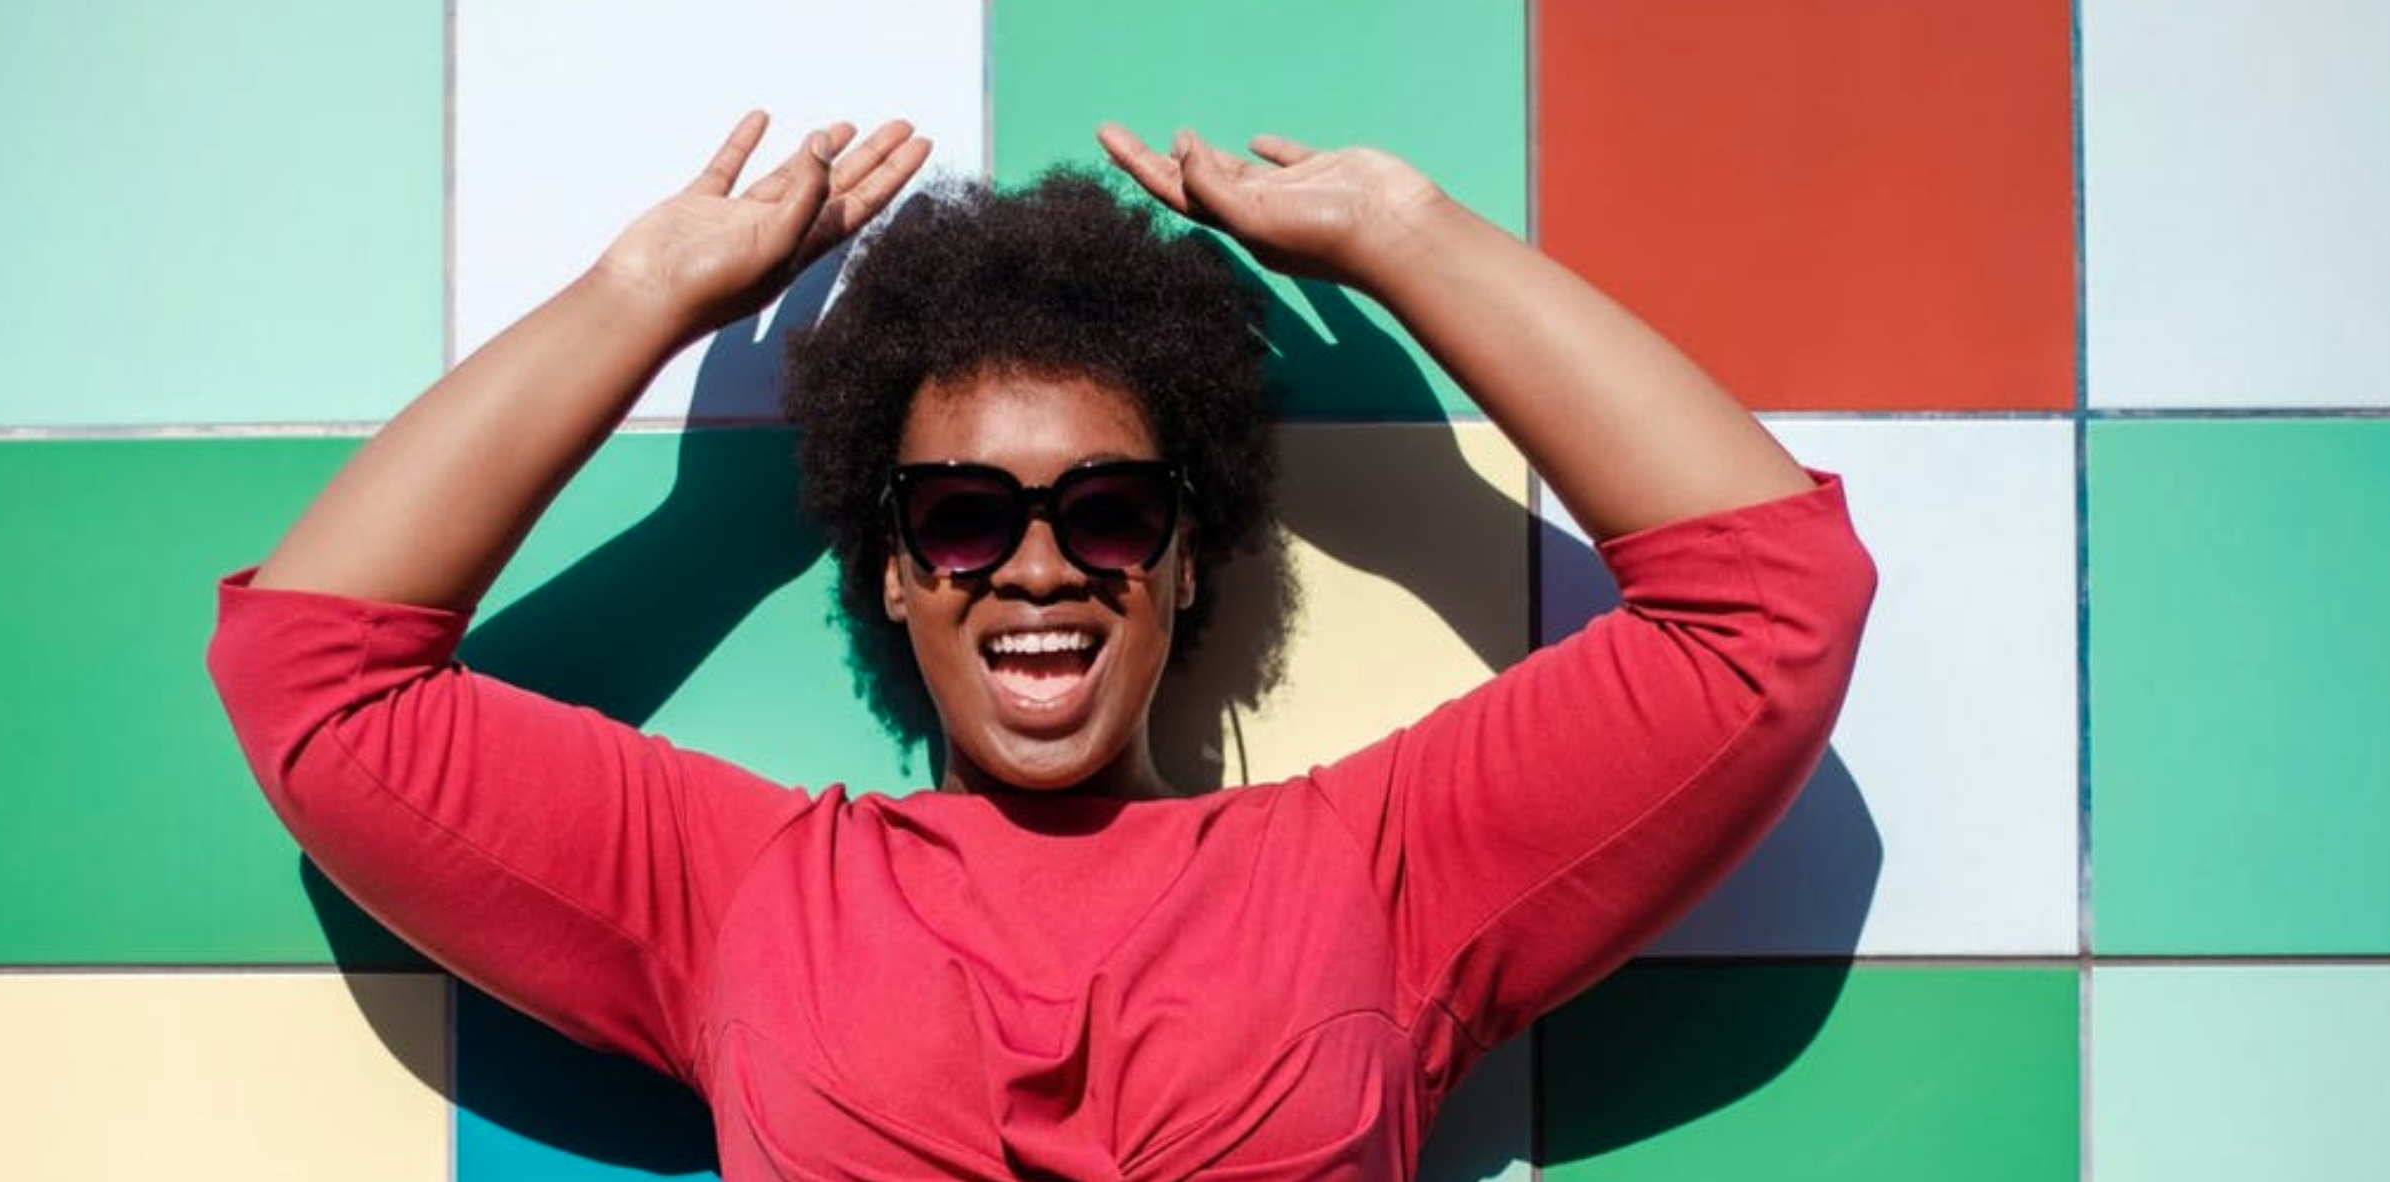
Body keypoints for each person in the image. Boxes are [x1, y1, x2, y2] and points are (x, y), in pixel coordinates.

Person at [209, 111, 1874, 1181]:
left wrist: (1402, 232)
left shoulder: (1375, 873)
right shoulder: (737, 892)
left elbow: (1767, 609)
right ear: (891, 570)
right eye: (957, 518)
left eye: (1105, 515)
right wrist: (640, 293)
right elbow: (318, 678)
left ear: (1179, 556)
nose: (1033, 569)